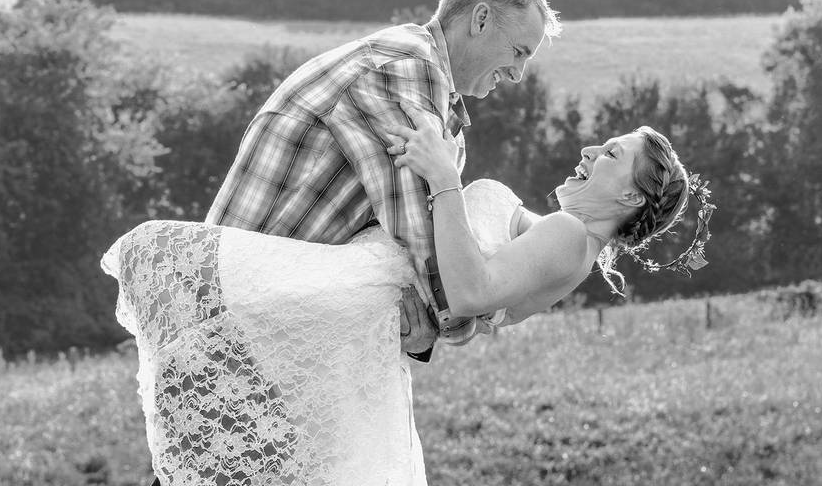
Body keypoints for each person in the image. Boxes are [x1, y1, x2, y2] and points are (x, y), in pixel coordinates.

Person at [101, 116, 713, 485]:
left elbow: (469, 294)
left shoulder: (571, 235)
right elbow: (465, 319)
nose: (588, 151)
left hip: (355, 294)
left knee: (178, 266)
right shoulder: (567, 246)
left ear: (631, 199)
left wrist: (445, 176)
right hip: (364, 322)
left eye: (610, 155)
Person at [204, 0, 560, 357]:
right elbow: (417, 226)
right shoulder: (405, 70)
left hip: (257, 313)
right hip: (233, 322)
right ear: (480, 19)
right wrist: (458, 322)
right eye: (518, 52)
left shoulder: (420, 75)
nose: (518, 75)